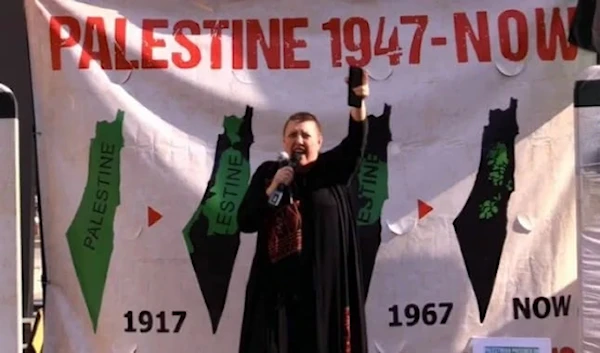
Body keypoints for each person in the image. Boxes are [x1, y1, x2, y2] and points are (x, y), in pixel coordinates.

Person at [237, 75, 370, 353]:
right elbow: (246, 221)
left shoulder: (333, 170)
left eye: (305, 135)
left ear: (319, 141)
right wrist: (274, 186)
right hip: (277, 294)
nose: (299, 140)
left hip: (324, 289)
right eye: (293, 134)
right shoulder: (268, 174)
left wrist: (357, 102)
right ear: (284, 141)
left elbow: (356, 141)